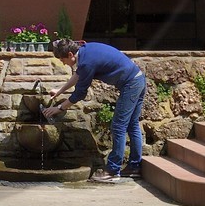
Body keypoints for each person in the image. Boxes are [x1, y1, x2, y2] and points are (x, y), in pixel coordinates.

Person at [43, 38, 147, 183]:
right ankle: (134, 167)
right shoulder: (85, 50)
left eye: (62, 59)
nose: (62, 62)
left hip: (131, 85)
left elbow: (79, 94)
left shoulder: (86, 62)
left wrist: (59, 108)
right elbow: (78, 75)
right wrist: (59, 91)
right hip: (139, 79)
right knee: (132, 124)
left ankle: (112, 169)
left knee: (118, 126)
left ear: (70, 54)